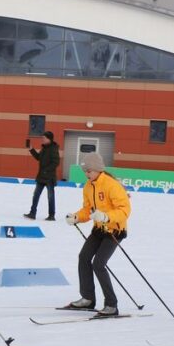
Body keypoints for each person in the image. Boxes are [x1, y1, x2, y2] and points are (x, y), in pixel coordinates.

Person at [63, 152, 131, 317]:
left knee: (99, 264)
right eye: (85, 171)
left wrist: (107, 217)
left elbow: (124, 209)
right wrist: (77, 217)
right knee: (84, 257)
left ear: (98, 169)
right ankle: (87, 298)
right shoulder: (88, 186)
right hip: (99, 229)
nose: (87, 174)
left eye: (89, 171)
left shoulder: (111, 185)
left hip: (115, 230)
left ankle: (111, 305)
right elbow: (87, 209)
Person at [24, 131, 60, 221]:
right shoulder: (44, 148)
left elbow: (56, 162)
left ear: (49, 139)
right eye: (42, 138)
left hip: (49, 178)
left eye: (44, 138)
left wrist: (46, 171)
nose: (42, 139)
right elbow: (38, 158)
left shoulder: (53, 149)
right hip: (41, 177)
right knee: (36, 195)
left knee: (50, 197)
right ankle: (32, 213)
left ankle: (51, 215)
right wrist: (31, 149)